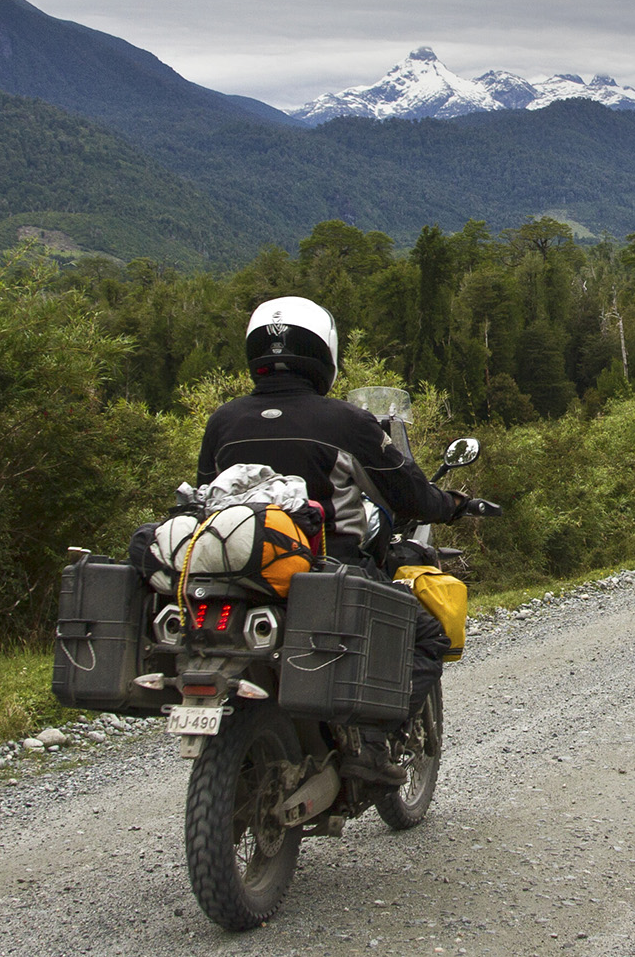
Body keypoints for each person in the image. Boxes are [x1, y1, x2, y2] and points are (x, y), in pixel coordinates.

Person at [197, 296, 462, 786]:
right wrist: (453, 504)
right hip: (327, 570)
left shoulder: (224, 421)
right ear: (324, 353)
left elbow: (201, 496)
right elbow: (410, 497)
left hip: (235, 577)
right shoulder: (347, 422)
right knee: (429, 636)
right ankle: (375, 746)